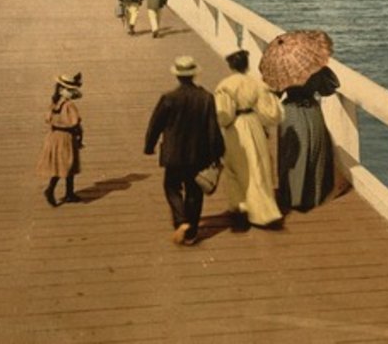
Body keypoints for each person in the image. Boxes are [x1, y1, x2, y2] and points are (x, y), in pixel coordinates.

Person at [144, 56, 225, 246]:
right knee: (194, 192)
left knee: (171, 187)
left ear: (178, 77)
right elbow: (213, 128)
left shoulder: (169, 98)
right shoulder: (206, 98)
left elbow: (155, 124)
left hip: (174, 153)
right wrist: (217, 152)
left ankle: (181, 221)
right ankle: (192, 233)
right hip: (199, 153)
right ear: (194, 75)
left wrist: (149, 145)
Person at [214, 50, 284, 228]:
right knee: (258, 165)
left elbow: (224, 116)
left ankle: (240, 205)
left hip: (235, 127)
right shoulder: (257, 83)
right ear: (247, 64)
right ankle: (263, 210)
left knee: (234, 167)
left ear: (231, 66)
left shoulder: (225, 85)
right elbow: (270, 113)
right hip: (254, 124)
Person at [277, 66, 339, 213]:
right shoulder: (315, 67)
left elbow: (275, 93)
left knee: (292, 154)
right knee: (316, 152)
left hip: (291, 113)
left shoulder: (284, 69)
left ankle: (292, 196)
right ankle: (313, 195)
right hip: (312, 111)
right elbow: (331, 87)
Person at [36, 73, 85, 206]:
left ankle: (70, 193)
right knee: (67, 165)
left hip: (54, 136)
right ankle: (51, 189)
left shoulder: (55, 102)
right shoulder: (68, 105)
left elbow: (49, 118)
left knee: (63, 164)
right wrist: (79, 136)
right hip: (66, 138)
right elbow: (75, 123)